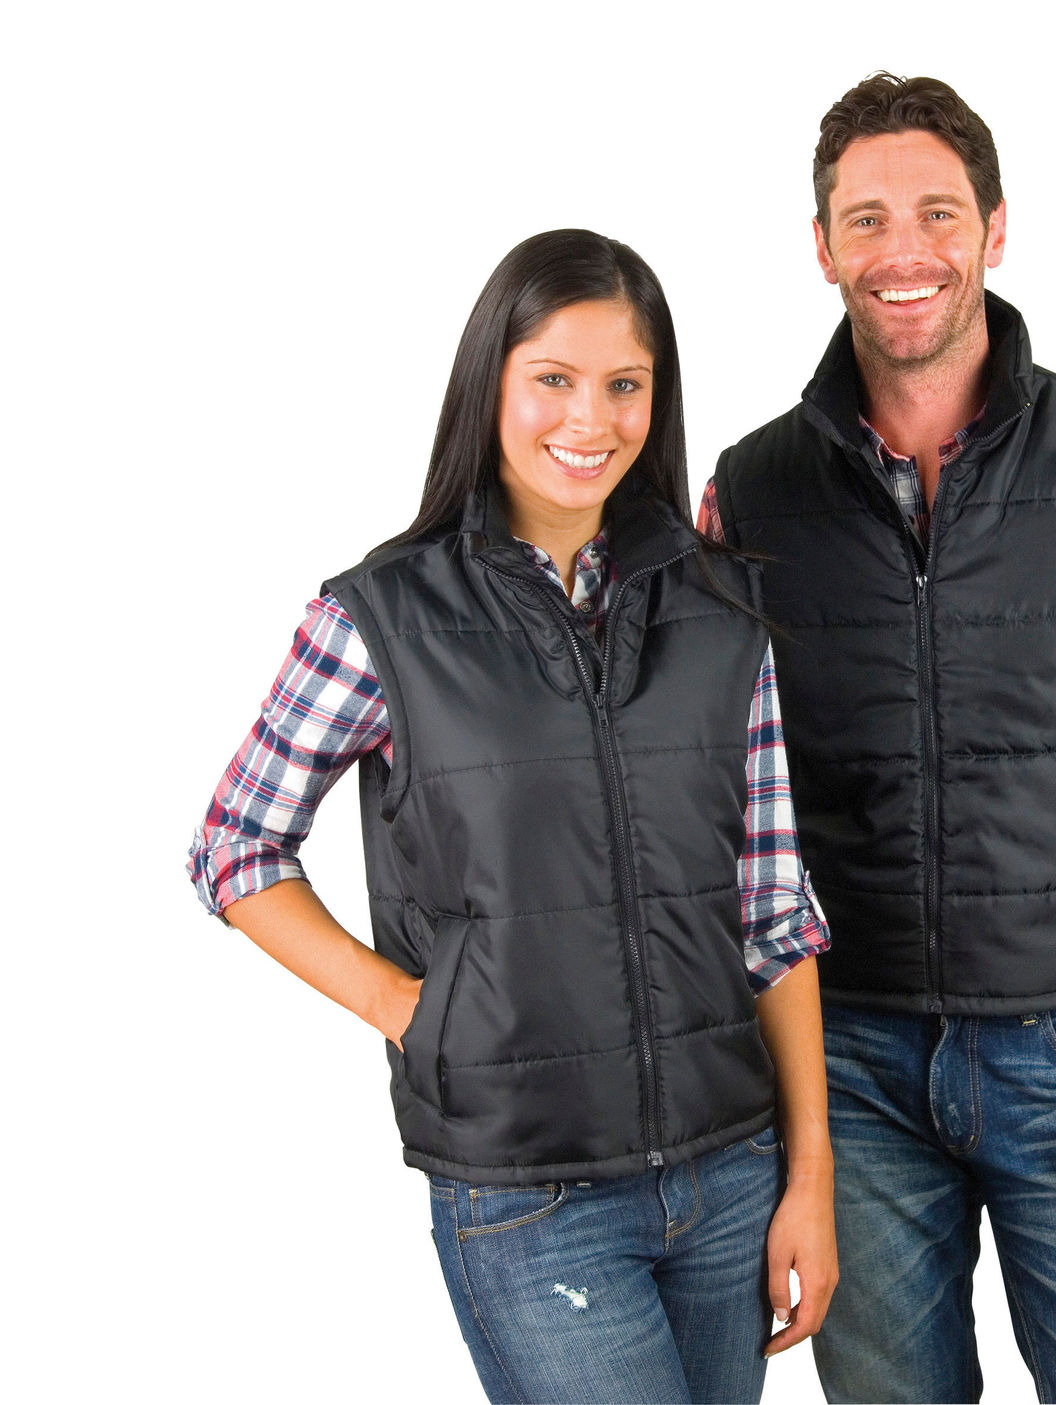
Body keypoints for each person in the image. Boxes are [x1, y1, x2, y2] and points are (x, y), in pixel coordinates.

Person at [701, 76, 1056, 1404]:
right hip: (843, 1071)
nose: (902, 249)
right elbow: (712, 795)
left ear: (995, 230)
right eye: (866, 219)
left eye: (937, 212)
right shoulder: (747, 495)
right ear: (821, 247)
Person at [188, 229, 837, 1405]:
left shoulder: (720, 608)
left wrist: (811, 1176)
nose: (591, 419)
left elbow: (774, 910)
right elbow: (235, 845)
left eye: (625, 384)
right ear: (490, 381)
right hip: (531, 1196)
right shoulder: (381, 619)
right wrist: (405, 1010)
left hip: (731, 1170)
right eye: (553, 378)